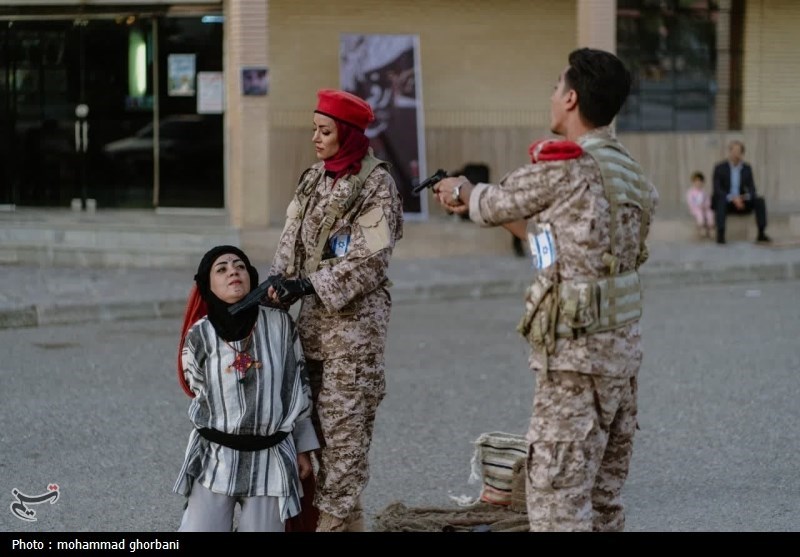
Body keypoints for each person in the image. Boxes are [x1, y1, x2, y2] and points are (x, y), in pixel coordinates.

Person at [431, 48, 659, 532]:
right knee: (601, 502)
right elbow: (556, 253)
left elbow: (492, 202)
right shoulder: (632, 176)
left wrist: (461, 191)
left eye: (557, 89)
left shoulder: (567, 165)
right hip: (620, 360)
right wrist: (518, 227)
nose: (552, 97)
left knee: (557, 503)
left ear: (572, 98)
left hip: (575, 364)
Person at [265, 88, 404, 532]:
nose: (316, 139)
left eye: (325, 132)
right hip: (310, 337)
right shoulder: (313, 178)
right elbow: (291, 239)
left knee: (344, 454)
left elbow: (370, 261)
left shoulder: (377, 184)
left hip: (352, 343)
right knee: (316, 443)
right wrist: (277, 281)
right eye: (314, 130)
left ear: (347, 134)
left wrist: (309, 283)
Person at [173, 245, 319, 532]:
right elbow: (196, 386)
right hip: (215, 457)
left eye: (239, 266)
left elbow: (297, 389)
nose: (233, 272)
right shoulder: (199, 335)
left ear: (251, 276)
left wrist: (302, 449)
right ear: (207, 284)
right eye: (222, 269)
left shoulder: (280, 325)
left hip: (270, 458)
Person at [711, 139, 771, 244]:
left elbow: (752, 188)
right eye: (733, 150)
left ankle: (761, 233)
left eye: (738, 151)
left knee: (759, 200)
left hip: (742, 201)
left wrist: (743, 198)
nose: (735, 154)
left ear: (742, 153)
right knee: (720, 200)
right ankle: (720, 234)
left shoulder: (746, 168)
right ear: (729, 152)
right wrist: (733, 198)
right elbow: (717, 189)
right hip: (727, 201)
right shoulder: (720, 168)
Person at [685, 170, 714, 238]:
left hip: (704, 208)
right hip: (695, 209)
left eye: (700, 182)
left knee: (710, 213)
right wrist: (696, 206)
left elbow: (707, 200)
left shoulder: (704, 192)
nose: (698, 183)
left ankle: (711, 228)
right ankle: (701, 229)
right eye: (696, 181)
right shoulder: (690, 192)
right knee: (699, 215)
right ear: (693, 182)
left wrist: (706, 206)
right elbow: (690, 202)